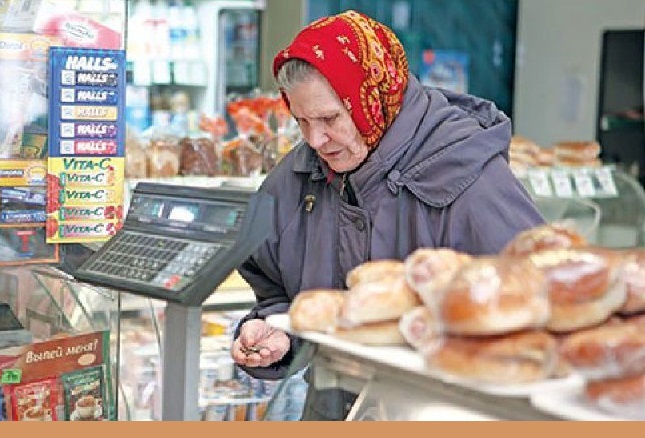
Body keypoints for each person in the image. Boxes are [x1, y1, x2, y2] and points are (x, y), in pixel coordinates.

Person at [231, 10, 544, 420]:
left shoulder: (467, 176)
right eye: (301, 121)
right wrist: (277, 329)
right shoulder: (295, 177)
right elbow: (276, 289)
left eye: (329, 119)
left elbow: (536, 306)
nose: (315, 139)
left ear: (374, 97)